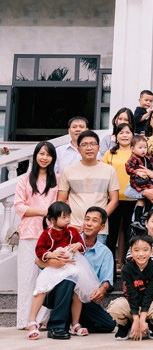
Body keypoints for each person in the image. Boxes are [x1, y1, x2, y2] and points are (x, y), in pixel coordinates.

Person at [38, 206, 117, 340]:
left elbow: (107, 280)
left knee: (108, 324)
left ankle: (70, 323)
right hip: (58, 290)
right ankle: (56, 327)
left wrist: (102, 290)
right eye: (87, 219)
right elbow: (39, 262)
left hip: (81, 298)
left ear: (102, 226)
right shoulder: (67, 237)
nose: (89, 223)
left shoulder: (105, 252)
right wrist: (52, 262)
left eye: (94, 221)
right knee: (69, 279)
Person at [14, 141, 59, 330]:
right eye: (41, 153)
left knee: (47, 277)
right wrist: (43, 211)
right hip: (28, 233)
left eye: (48, 154)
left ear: (53, 158)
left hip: (51, 235)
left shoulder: (57, 180)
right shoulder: (24, 180)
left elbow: (61, 206)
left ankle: (41, 320)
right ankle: (25, 320)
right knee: (27, 276)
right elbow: (18, 206)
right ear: (35, 156)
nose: (44, 157)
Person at [27, 202, 86, 340]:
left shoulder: (72, 231)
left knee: (78, 292)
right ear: (53, 219)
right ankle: (32, 321)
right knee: (41, 288)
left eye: (68, 216)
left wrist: (78, 245)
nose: (68, 220)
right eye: (64, 217)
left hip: (70, 267)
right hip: (53, 268)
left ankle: (75, 323)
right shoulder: (47, 233)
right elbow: (39, 250)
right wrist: (50, 254)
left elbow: (81, 245)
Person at [57, 130, 120, 243]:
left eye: (92, 144)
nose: (89, 148)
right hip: (74, 227)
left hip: (99, 230)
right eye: (84, 144)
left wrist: (99, 220)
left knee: (96, 255)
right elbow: (61, 202)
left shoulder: (109, 170)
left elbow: (114, 200)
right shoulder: (68, 171)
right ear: (78, 149)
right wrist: (68, 224)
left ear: (98, 147)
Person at [107, 235, 153, 340]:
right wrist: (136, 318)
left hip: (149, 305)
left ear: (151, 251)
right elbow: (130, 294)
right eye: (136, 250)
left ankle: (152, 326)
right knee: (115, 307)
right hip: (131, 304)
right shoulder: (126, 269)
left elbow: (150, 294)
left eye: (145, 250)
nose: (141, 254)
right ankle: (125, 326)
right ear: (131, 252)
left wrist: (142, 318)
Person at [102, 123, 136, 269]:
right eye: (121, 133)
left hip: (133, 200)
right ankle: (109, 270)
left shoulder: (137, 153)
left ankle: (127, 269)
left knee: (130, 235)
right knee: (111, 236)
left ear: (133, 135)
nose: (124, 135)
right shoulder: (109, 154)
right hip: (113, 200)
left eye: (127, 132)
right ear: (116, 136)